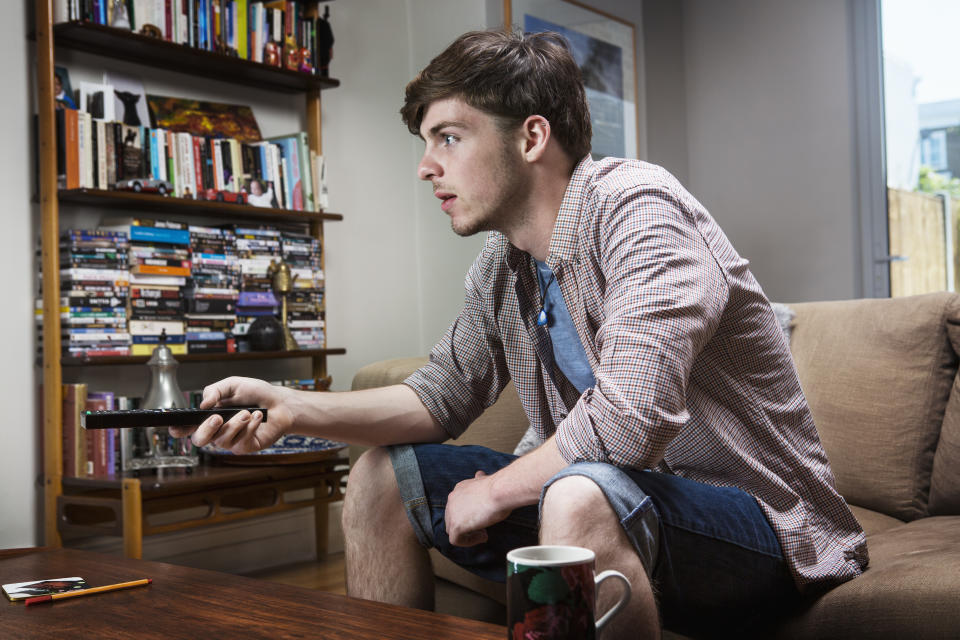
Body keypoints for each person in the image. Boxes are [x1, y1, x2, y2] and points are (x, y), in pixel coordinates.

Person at [170, 30, 868, 638]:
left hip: (767, 532)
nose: (425, 166)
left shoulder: (640, 212)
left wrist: (499, 489)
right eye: (425, 143)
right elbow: (437, 398)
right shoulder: (504, 269)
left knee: (577, 491)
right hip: (622, 504)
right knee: (384, 472)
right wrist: (292, 409)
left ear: (531, 137)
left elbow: (629, 424)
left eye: (448, 136)